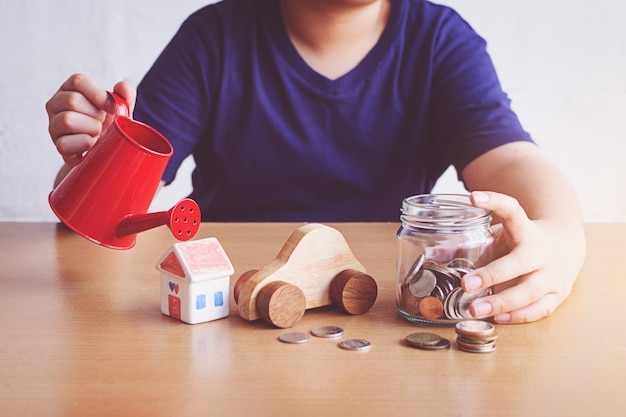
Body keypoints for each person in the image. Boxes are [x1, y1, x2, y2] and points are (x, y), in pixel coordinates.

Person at [45, 0, 586, 324]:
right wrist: (88, 162)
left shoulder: (441, 42)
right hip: (235, 304)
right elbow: (106, 208)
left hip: (372, 305)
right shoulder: (213, 38)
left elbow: (513, 160)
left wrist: (561, 234)